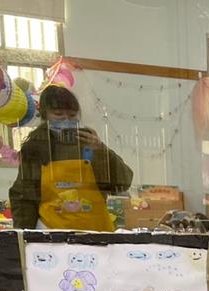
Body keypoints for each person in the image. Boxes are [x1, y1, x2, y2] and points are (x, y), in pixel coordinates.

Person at [9, 85, 132, 231]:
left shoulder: (89, 143)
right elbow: (23, 197)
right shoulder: (35, 148)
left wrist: (101, 150)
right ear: (44, 115)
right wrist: (25, 234)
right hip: (52, 232)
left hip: (96, 231)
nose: (66, 119)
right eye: (58, 114)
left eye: (72, 115)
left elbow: (123, 182)